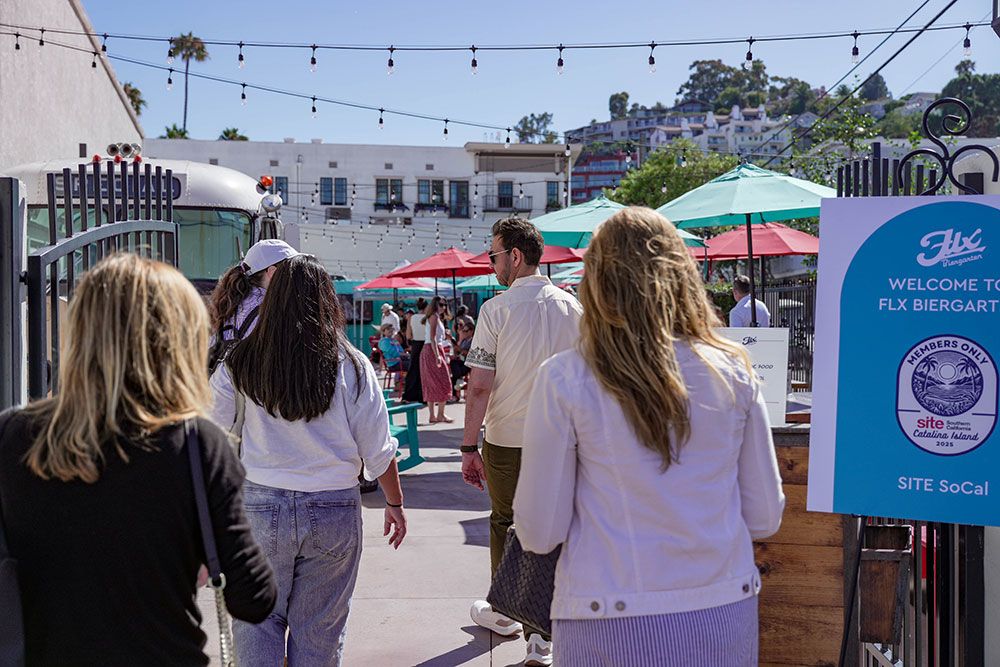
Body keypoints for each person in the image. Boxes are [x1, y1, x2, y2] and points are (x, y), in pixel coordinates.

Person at [513, 208, 785, 666]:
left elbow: (540, 531)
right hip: (721, 608)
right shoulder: (733, 371)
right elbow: (764, 517)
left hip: (606, 613)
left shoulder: (566, 377)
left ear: (597, 282)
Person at [0, 254, 277, 665]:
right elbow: (253, 598)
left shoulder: (13, 435)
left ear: (81, 333)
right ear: (177, 341)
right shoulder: (195, 445)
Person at [210, 254, 407, 666]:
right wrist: (395, 503)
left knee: (256, 622)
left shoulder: (240, 360)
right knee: (320, 629)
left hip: (260, 505)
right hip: (334, 507)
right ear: (326, 300)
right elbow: (377, 447)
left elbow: (211, 432)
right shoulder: (352, 364)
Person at [461, 216, 583, 666]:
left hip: (508, 437)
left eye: (494, 255)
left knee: (505, 522)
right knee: (557, 527)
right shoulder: (573, 308)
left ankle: (508, 611)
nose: (491, 264)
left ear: (514, 256)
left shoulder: (496, 310)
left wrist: (468, 446)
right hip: (563, 438)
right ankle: (542, 634)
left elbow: (479, 385)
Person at [207, 239, 301, 371]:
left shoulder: (233, 301)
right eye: (292, 270)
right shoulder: (268, 310)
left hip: (220, 381)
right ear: (272, 272)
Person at [419, 296, 454, 424]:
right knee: (444, 381)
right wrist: (437, 355)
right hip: (433, 350)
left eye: (445, 305)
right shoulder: (434, 317)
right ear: (435, 305)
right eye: (441, 304)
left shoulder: (435, 317)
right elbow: (432, 338)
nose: (443, 307)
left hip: (431, 349)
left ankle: (433, 415)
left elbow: (435, 337)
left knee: (432, 382)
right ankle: (440, 414)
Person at [402, 298, 428, 403]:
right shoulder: (429, 317)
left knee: (413, 370)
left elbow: (408, 335)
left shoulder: (412, 318)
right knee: (425, 370)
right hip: (426, 344)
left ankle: (409, 395)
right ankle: (424, 396)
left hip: (416, 344)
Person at [450, 319, 475, 400]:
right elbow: (458, 352)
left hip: (469, 362)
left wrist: (460, 350)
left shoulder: (473, 341)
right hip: (462, 361)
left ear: (471, 331)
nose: (464, 332)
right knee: (453, 364)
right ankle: (459, 380)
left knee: (455, 374)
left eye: (465, 331)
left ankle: (459, 379)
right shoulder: (464, 340)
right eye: (463, 331)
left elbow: (471, 353)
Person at [379, 323, 407, 393]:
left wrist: (404, 354)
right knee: (413, 365)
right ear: (383, 331)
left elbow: (401, 351)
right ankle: (402, 384)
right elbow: (394, 353)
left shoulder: (394, 340)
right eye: (388, 329)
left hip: (399, 361)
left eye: (391, 329)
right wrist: (403, 354)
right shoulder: (383, 342)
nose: (390, 330)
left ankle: (404, 384)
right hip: (393, 364)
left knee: (414, 363)